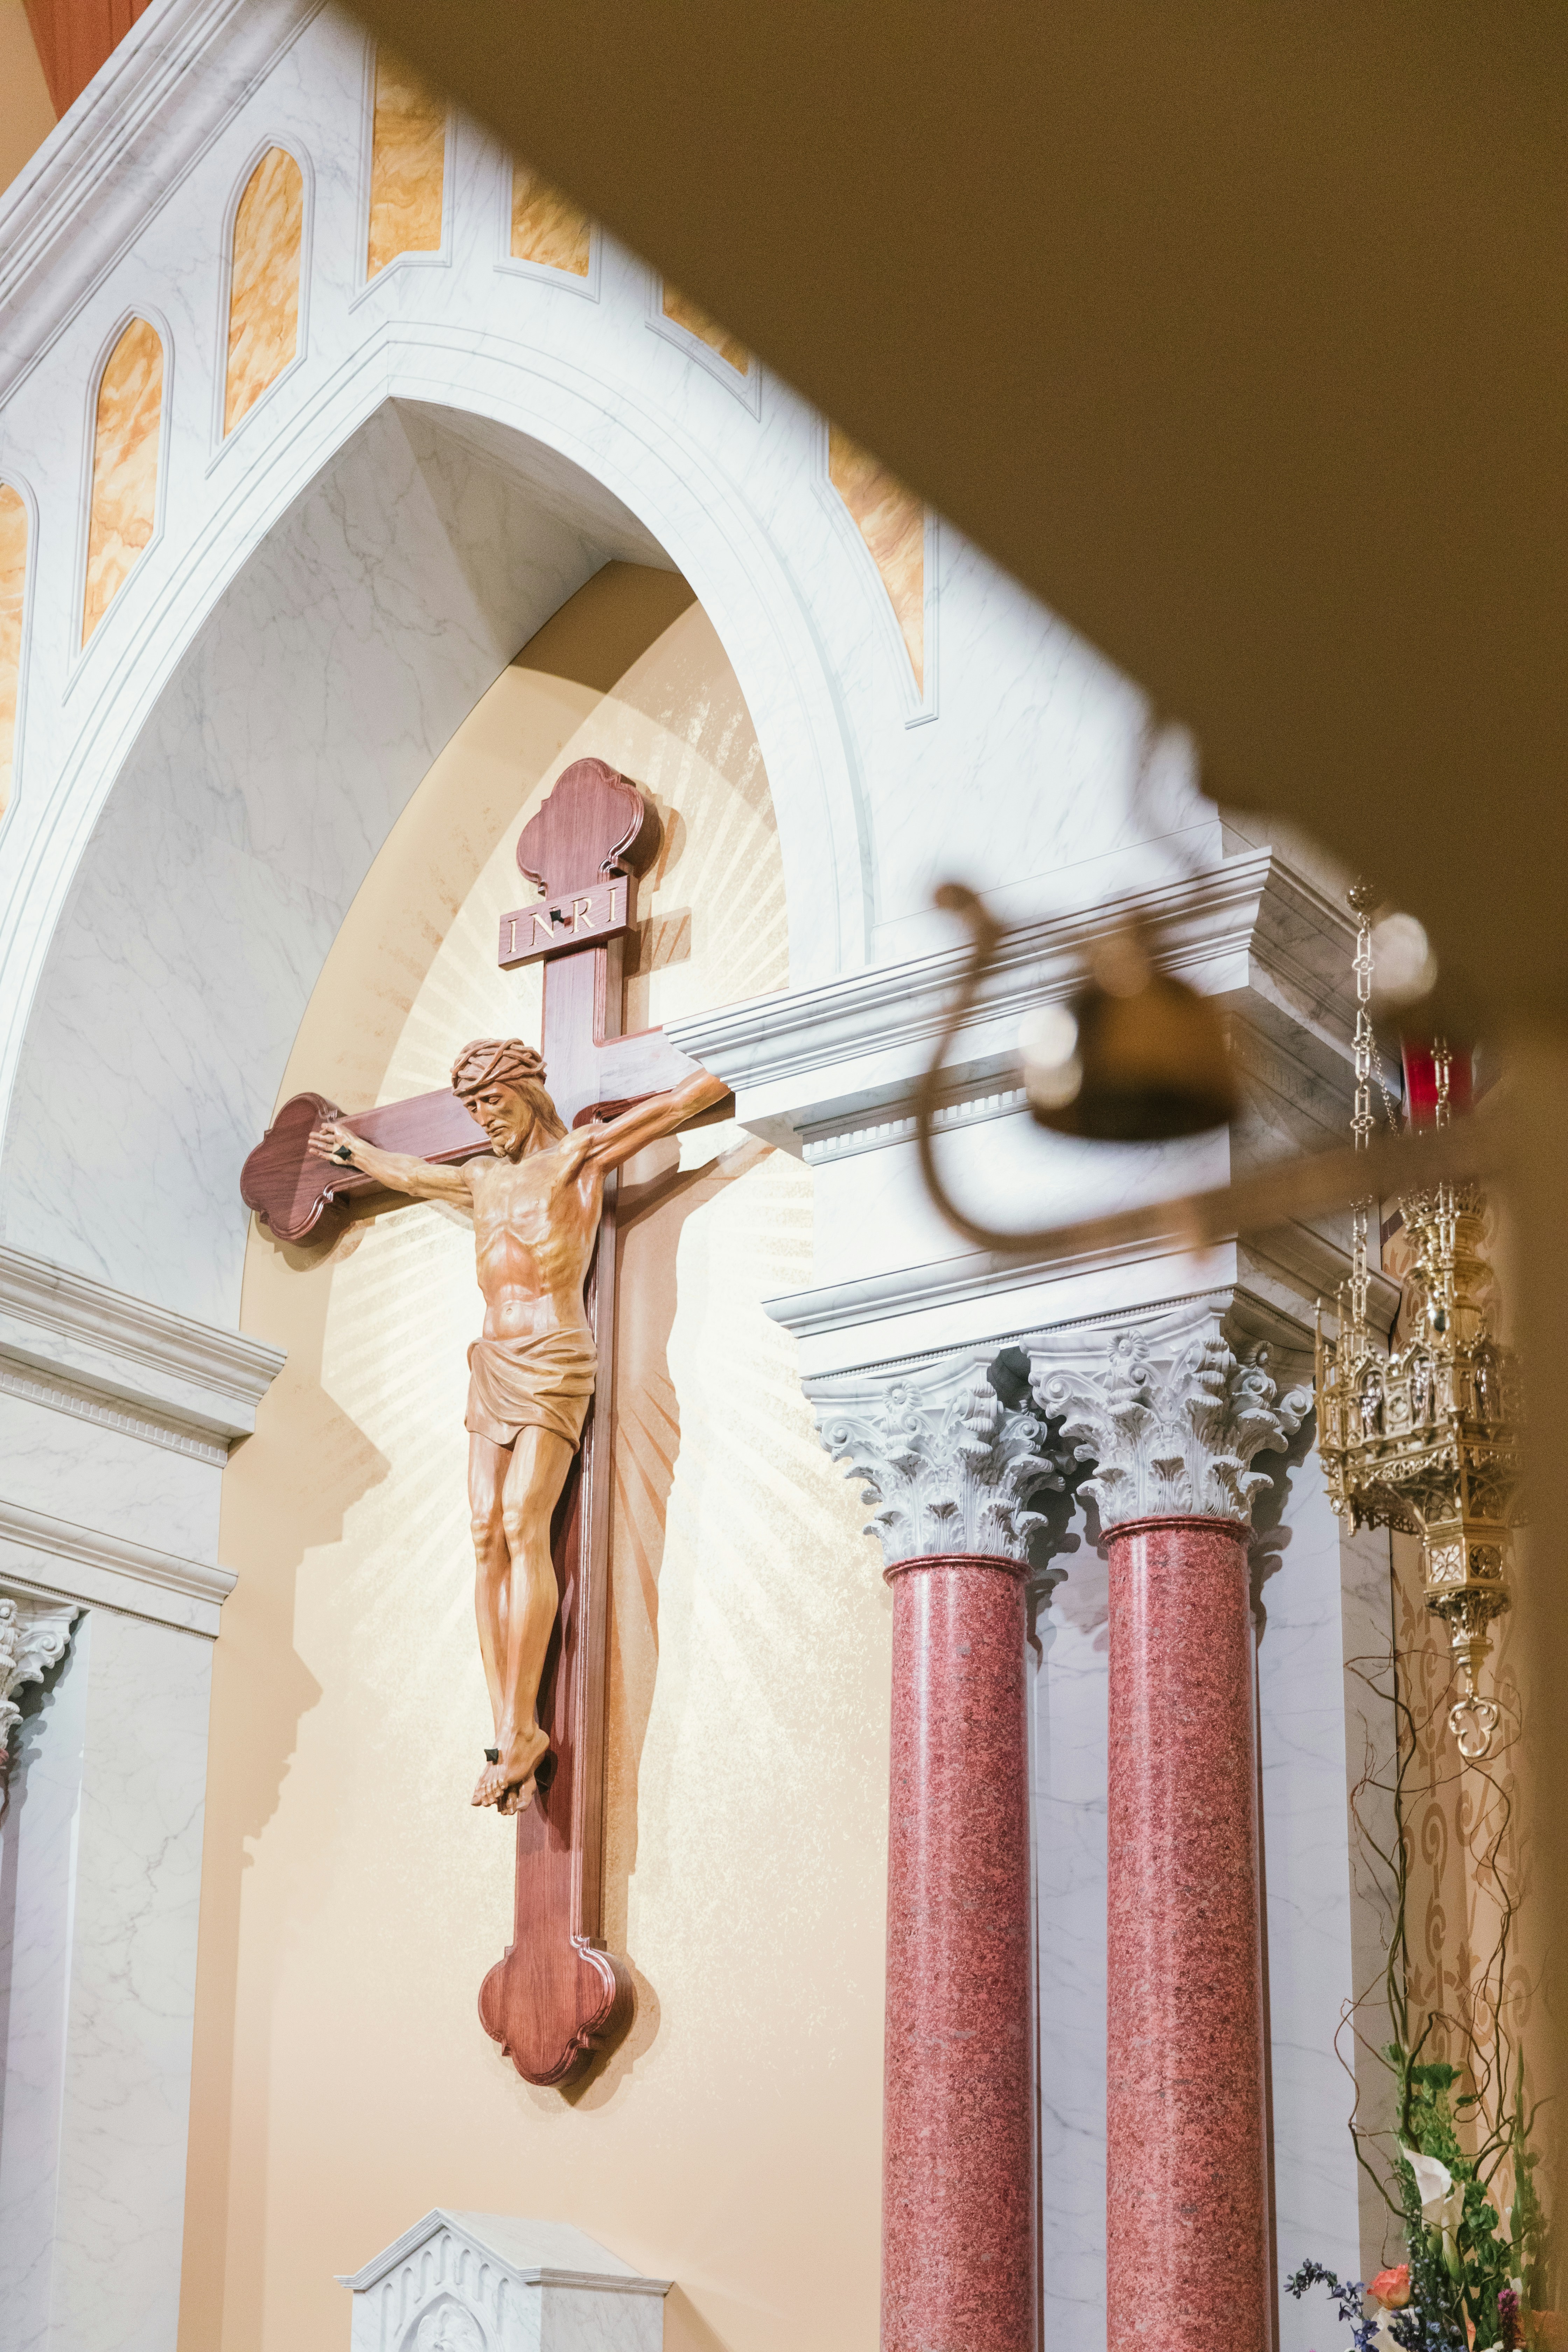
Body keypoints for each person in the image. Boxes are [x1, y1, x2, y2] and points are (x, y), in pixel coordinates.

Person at [309, 1037, 727, 1814]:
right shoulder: (478, 1178)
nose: (482, 1120)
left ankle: (520, 1727)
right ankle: (509, 1724)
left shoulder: (577, 1157)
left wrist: (742, 1058)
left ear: (527, 1091)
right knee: (481, 1533)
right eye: (471, 1108)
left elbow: (673, 1106)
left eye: (491, 1103)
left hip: (554, 1351)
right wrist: (352, 1149)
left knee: (518, 1520)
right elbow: (408, 1172)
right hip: (493, 1361)